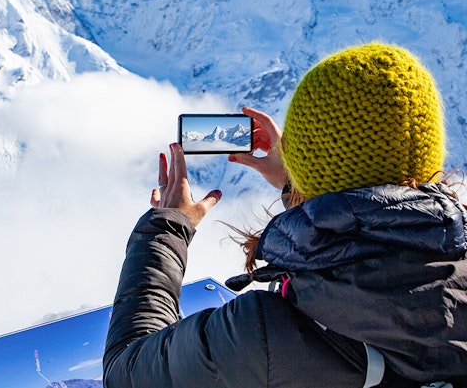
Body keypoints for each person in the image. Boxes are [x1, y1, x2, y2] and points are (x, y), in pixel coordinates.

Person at [103, 43, 467, 387]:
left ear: (308, 164)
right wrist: (299, 186)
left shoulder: (259, 336)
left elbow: (127, 371)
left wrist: (166, 228)